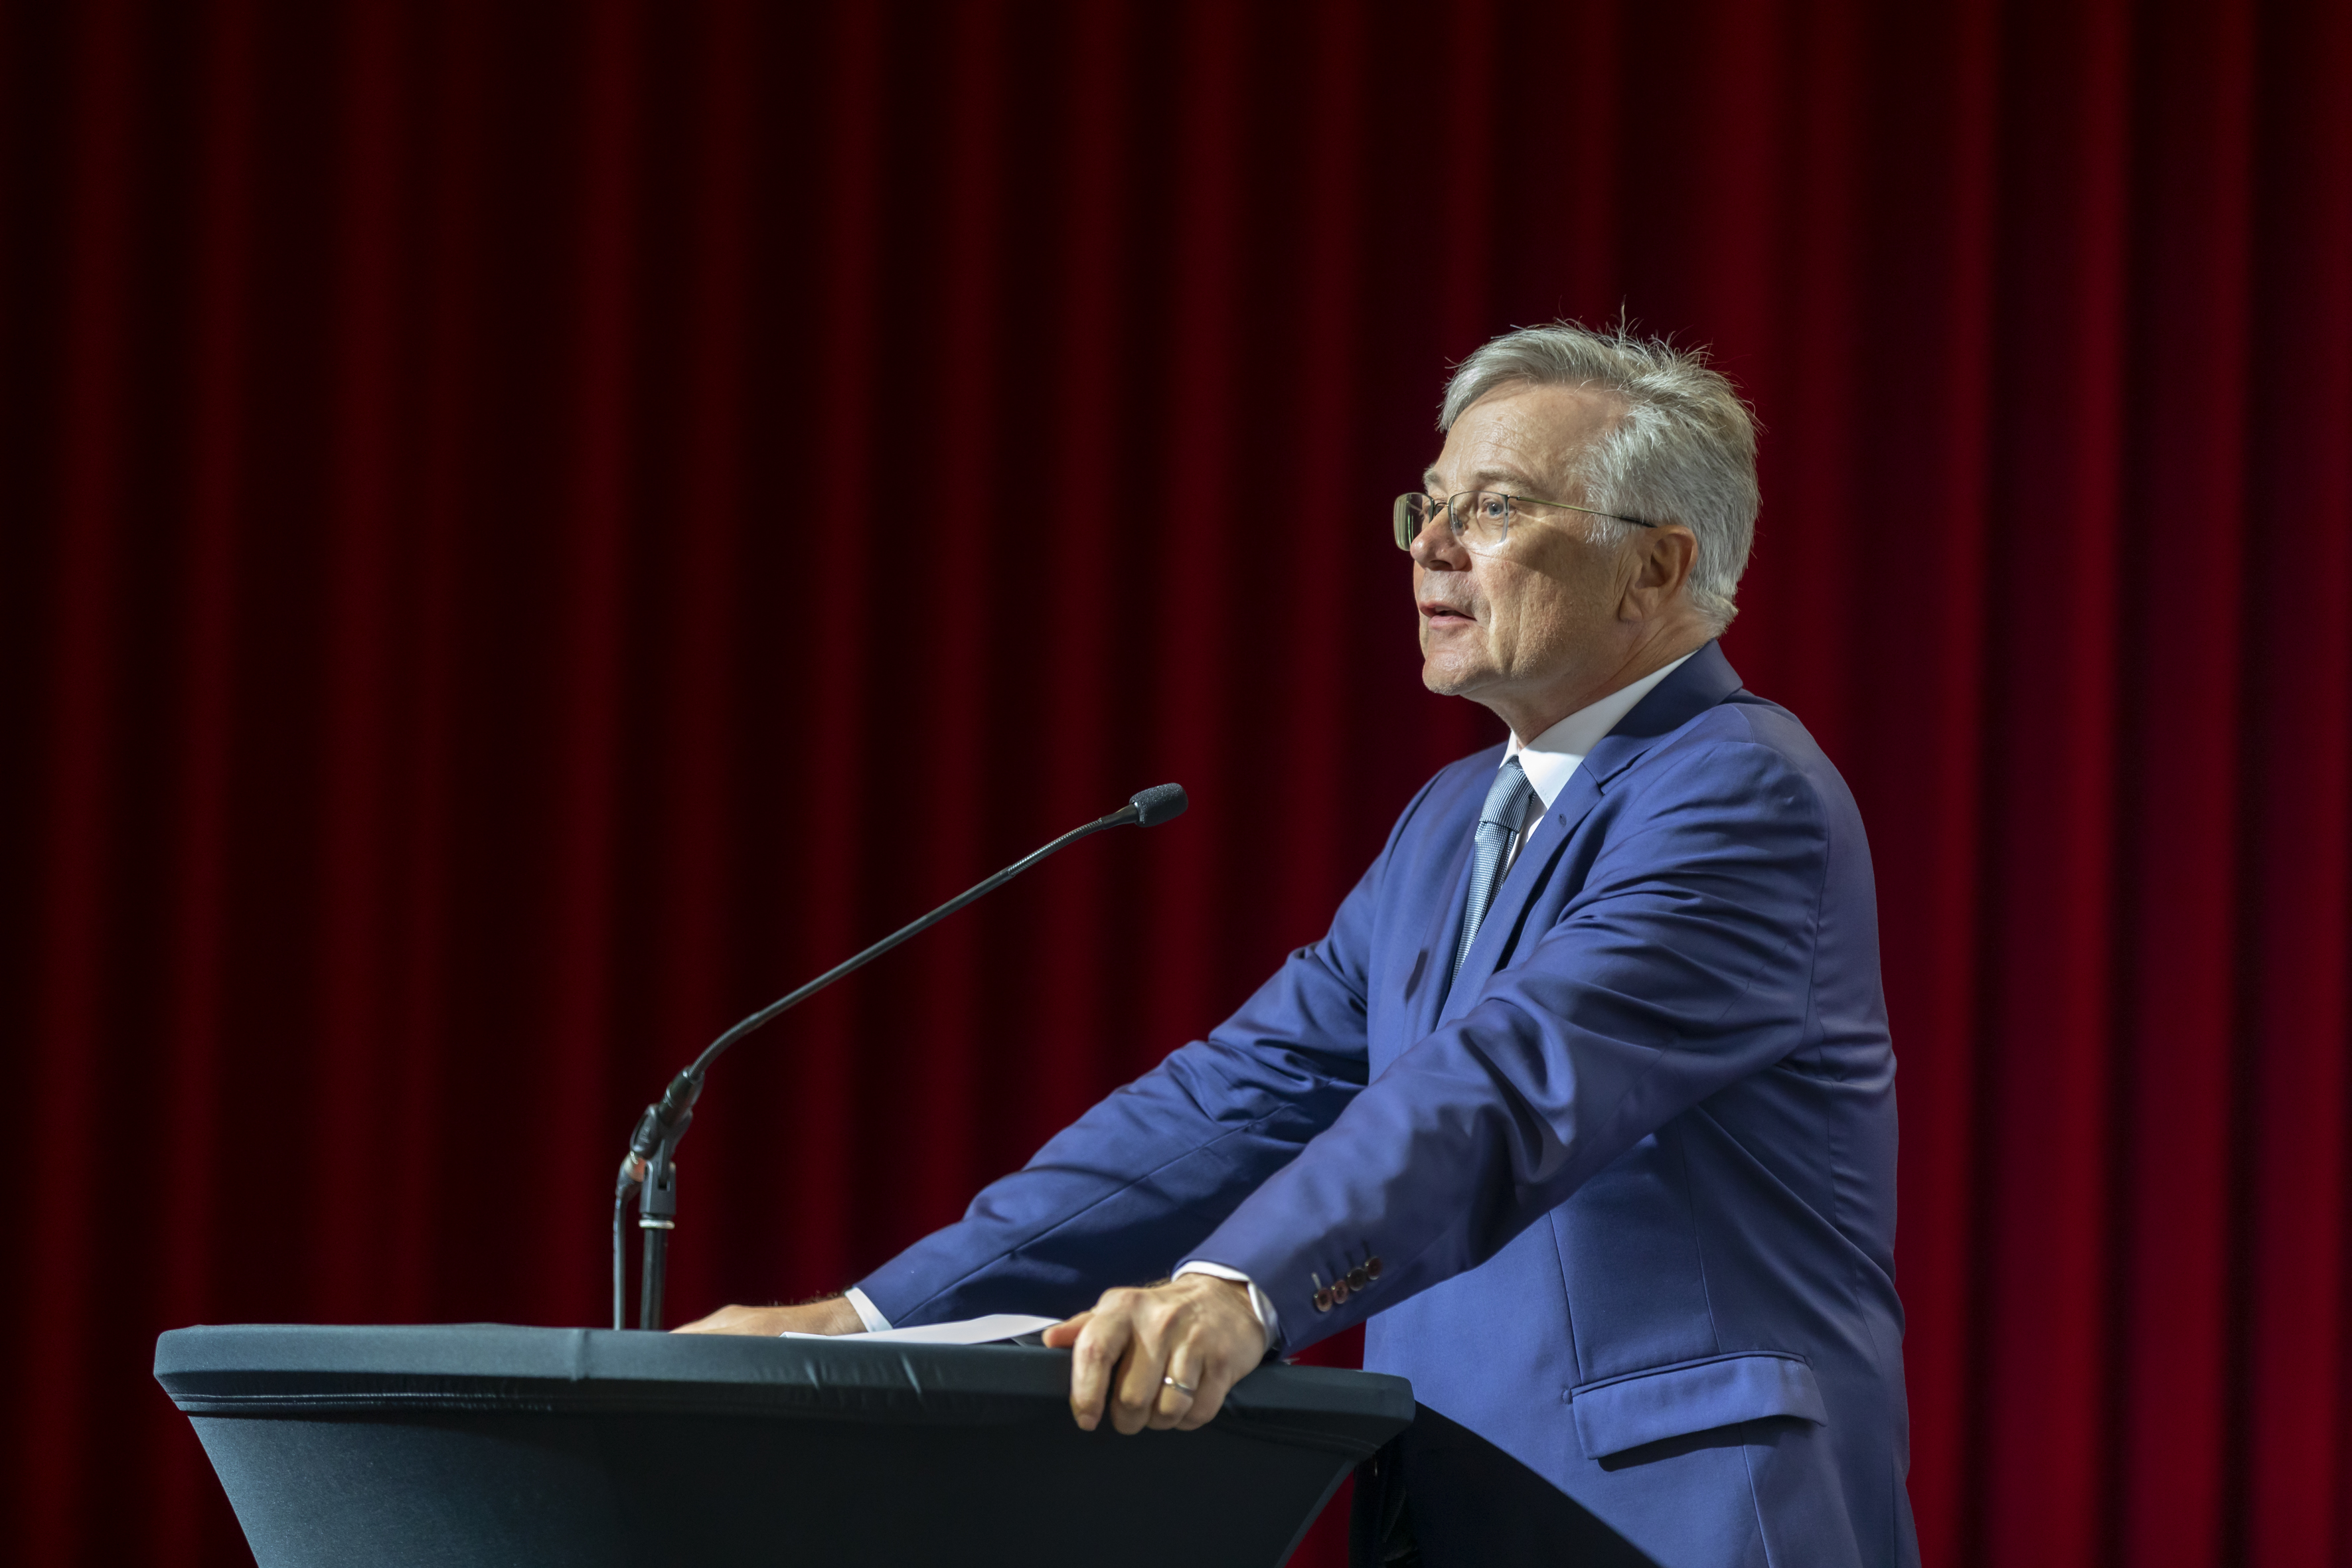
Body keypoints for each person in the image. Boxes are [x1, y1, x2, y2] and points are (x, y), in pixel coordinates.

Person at [680, 321, 1918, 1568]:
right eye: (1430, 505)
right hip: (1453, 1511)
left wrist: (1242, 1286)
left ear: (1655, 566)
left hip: (1683, 1518)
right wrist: (872, 1316)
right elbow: (1236, 1097)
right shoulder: (1450, 822)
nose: (1431, 547)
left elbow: (1506, 1082)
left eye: (1494, 508)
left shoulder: (1743, 794)